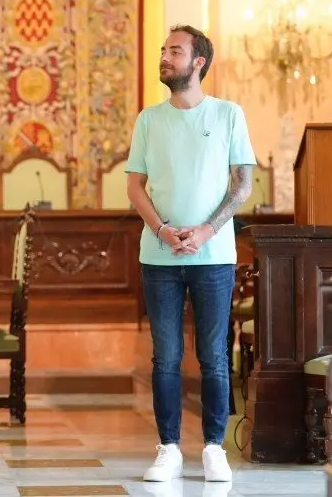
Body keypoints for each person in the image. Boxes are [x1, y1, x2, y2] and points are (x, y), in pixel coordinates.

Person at [125, 24, 255, 484]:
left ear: (198, 62)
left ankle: (215, 447)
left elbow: (242, 185)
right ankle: (169, 448)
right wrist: (161, 228)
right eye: (163, 50)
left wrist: (204, 231)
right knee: (165, 356)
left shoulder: (228, 115)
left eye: (174, 51)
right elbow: (134, 185)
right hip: (158, 256)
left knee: (214, 356)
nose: (164, 57)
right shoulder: (148, 120)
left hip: (214, 257)